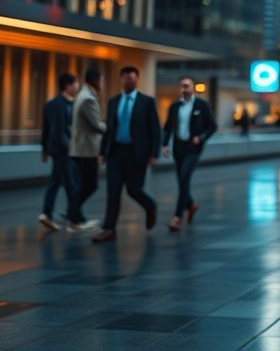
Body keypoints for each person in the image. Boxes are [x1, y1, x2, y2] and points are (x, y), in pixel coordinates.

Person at [92, 66, 161, 243]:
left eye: (132, 77)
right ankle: (109, 229)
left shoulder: (146, 102)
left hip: (136, 153)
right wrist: (102, 152)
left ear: (137, 79)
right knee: (113, 190)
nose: (128, 81)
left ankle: (150, 205)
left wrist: (154, 154)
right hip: (115, 152)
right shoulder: (114, 102)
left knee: (134, 189)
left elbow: (155, 130)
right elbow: (109, 129)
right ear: (121, 79)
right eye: (125, 78)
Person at [161, 76, 217, 231]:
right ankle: (191, 204)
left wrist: (201, 137)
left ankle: (177, 217)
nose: (184, 89)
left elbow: (212, 126)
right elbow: (168, 127)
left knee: (184, 177)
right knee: (182, 181)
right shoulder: (174, 107)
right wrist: (164, 144)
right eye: (182, 86)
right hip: (179, 147)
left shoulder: (202, 105)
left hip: (193, 147)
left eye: (187, 86)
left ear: (193, 87)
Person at [38, 72, 79, 231]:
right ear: (68, 85)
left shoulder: (51, 104)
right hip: (64, 150)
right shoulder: (65, 105)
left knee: (56, 181)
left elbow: (46, 128)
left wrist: (44, 148)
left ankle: (48, 214)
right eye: (76, 83)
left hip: (57, 149)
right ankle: (75, 218)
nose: (77, 87)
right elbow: (60, 129)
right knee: (71, 183)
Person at [67, 67, 106, 232]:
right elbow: (97, 125)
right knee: (89, 185)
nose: (102, 84)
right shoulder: (87, 99)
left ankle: (74, 217)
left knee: (83, 185)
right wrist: (113, 129)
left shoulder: (83, 95)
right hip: (86, 151)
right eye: (101, 80)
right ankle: (73, 216)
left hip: (81, 150)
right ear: (96, 80)